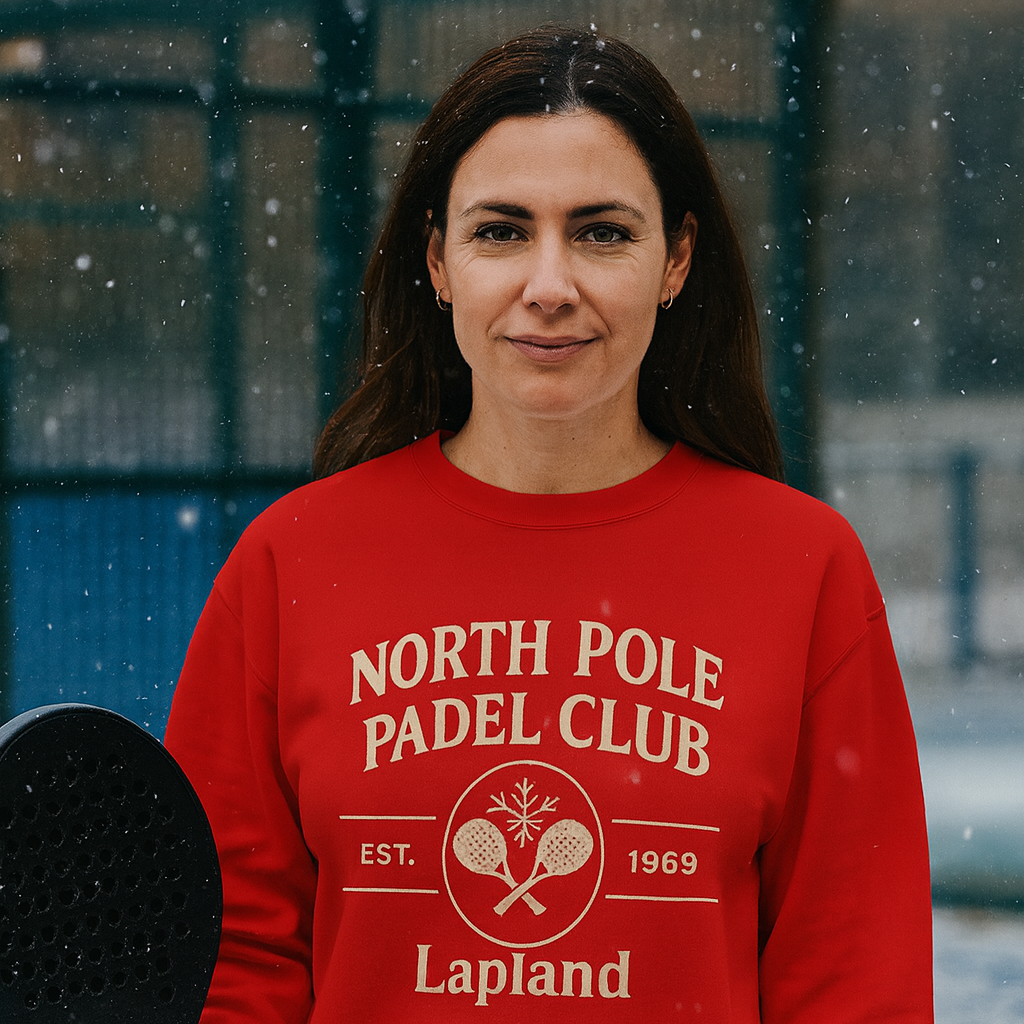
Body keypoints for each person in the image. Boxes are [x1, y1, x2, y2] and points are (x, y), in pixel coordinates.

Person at [165, 25, 933, 1023]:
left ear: (677, 259)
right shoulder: (292, 561)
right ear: (438, 262)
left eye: (602, 231)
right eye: (501, 231)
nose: (549, 284)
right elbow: (230, 961)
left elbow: (854, 975)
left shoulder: (801, 568)